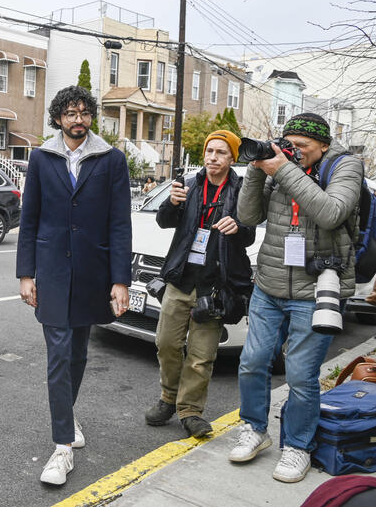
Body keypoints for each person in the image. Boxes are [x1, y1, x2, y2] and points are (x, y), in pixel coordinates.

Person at [231, 113, 363, 483]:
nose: (296, 152)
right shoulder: (281, 165)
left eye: (303, 147)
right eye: (291, 145)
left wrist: (284, 169)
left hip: (317, 288)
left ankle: (298, 446)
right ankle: (255, 428)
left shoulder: (345, 166)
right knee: (252, 361)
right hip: (269, 284)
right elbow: (247, 215)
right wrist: (258, 168)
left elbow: (332, 213)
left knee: (302, 375)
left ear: (323, 145)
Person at [17, 85, 131, 486]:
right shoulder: (42, 157)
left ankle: (68, 413)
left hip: (92, 274)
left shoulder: (112, 159)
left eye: (84, 112)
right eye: (70, 113)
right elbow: (29, 219)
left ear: (91, 117)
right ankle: (62, 446)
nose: (77, 119)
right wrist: (25, 273)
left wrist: (120, 280)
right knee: (60, 356)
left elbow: (120, 223)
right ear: (58, 118)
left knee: (78, 355)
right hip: (50, 272)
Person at [144, 130, 255, 437]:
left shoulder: (242, 190)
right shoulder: (190, 185)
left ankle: (191, 411)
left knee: (201, 356)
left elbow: (250, 235)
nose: (212, 157)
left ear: (232, 157)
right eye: (209, 151)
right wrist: (172, 204)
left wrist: (238, 227)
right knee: (166, 344)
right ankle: (169, 397)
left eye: (220, 152)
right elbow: (164, 222)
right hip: (181, 280)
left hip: (215, 286)